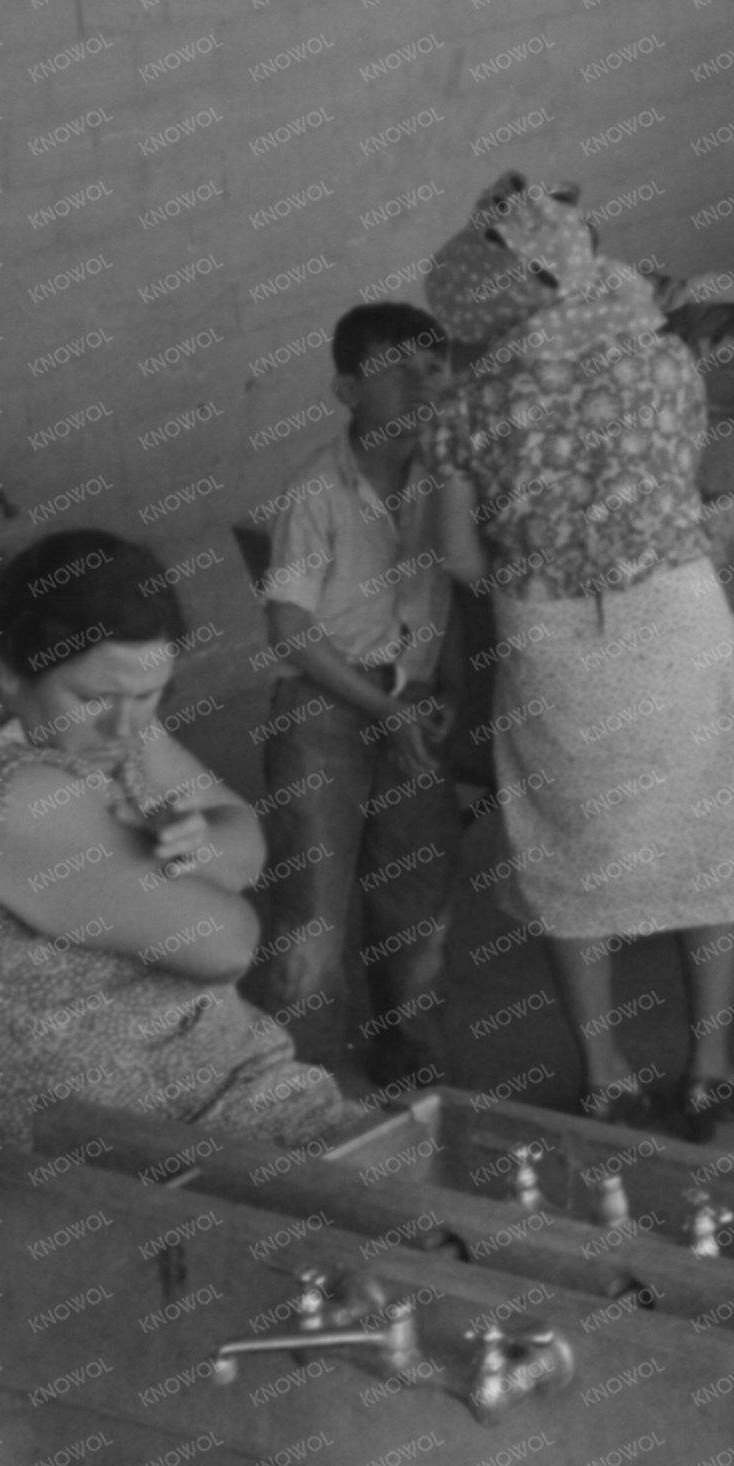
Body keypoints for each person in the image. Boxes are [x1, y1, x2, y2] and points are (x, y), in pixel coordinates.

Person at [422, 178, 734, 1140]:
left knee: (574, 847)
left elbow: (459, 558)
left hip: (550, 639)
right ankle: (711, 1067)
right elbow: (678, 485)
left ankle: (604, 1076)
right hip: (674, 619)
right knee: (710, 830)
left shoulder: (463, 404)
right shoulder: (659, 366)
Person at [0, 531, 357, 1246]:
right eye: (96, 697)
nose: (129, 727)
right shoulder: (9, 800)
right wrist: (187, 868)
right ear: (7, 670)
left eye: (150, 695)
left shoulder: (76, 716)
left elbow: (241, 837)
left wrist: (197, 848)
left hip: (170, 1117)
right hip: (56, 1180)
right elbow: (227, 944)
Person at [250, 301, 466, 1095]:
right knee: (312, 917)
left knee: (415, 903)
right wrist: (388, 712)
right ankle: (305, 1094)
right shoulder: (317, 491)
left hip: (415, 700)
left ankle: (412, 1071)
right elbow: (289, 629)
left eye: (432, 369)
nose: (420, 387)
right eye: (395, 373)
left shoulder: (451, 480)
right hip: (327, 706)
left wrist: (430, 702)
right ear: (346, 389)